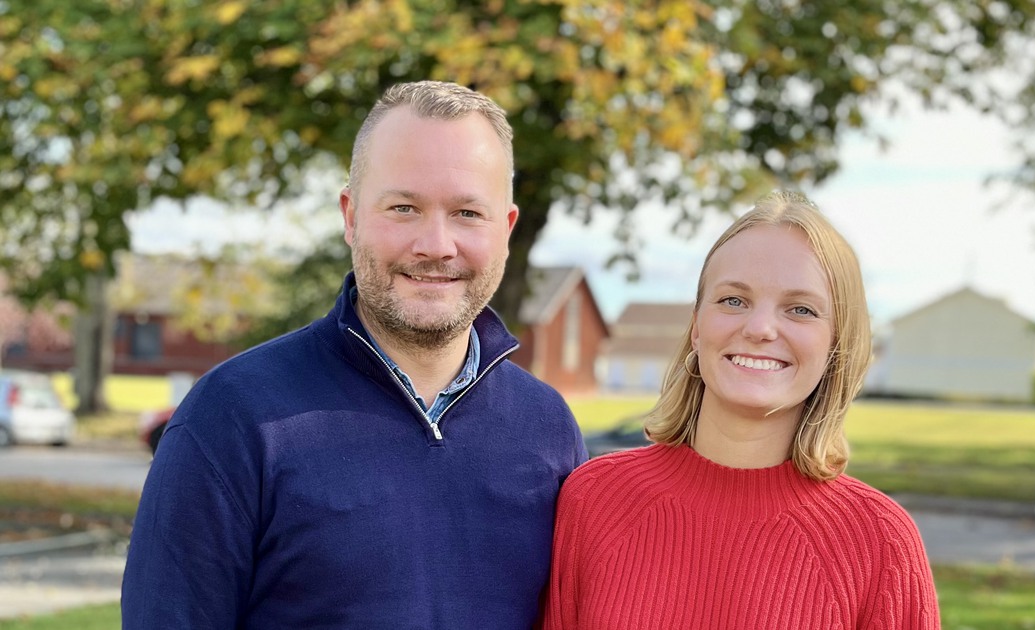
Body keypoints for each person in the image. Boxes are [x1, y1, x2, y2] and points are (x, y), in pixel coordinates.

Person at [122, 81, 587, 629]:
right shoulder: (234, 416)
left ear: (506, 229)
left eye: (467, 213)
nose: (436, 245)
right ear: (350, 216)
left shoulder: (547, 428)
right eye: (404, 207)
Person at [541, 190, 940, 629]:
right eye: (734, 300)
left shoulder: (880, 543)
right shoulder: (595, 500)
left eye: (801, 309)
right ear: (696, 327)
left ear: (836, 345)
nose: (760, 329)